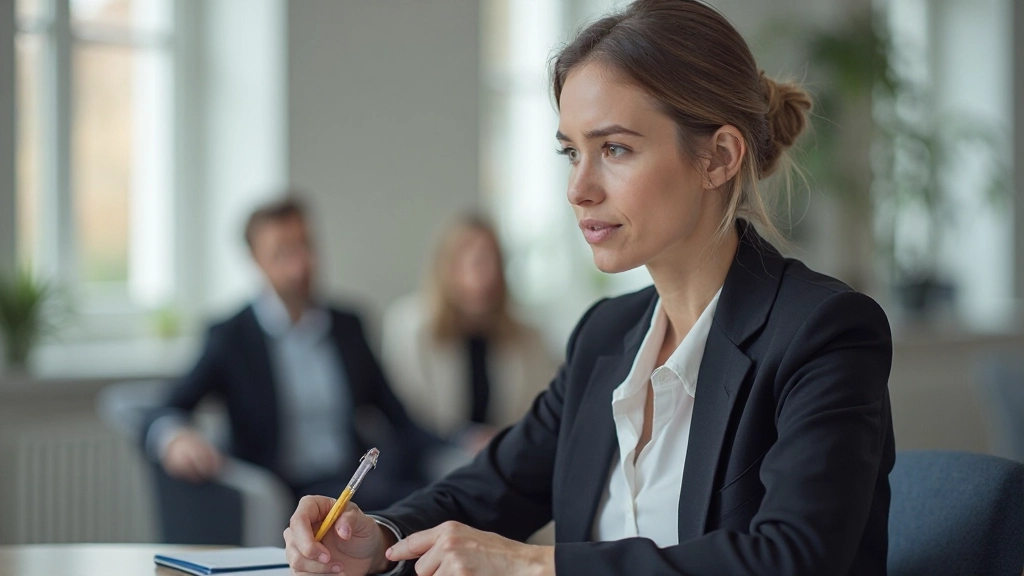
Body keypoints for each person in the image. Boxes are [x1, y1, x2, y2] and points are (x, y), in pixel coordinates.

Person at [284, 1, 895, 574]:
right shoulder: (606, 336)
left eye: (616, 149)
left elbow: (792, 557)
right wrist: (379, 536)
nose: (579, 189)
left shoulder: (824, 332)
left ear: (719, 158)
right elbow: (497, 486)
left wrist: (533, 564)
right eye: (571, 152)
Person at [142, 197, 433, 510]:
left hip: (353, 481)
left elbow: (396, 415)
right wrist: (175, 437)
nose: (300, 264)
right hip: (279, 491)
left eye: (305, 245)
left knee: (427, 506)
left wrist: (460, 442)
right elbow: (167, 407)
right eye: (282, 253)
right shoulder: (232, 337)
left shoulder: (348, 325)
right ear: (256, 260)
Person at [381, 216, 558, 450]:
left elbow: (541, 411)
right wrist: (466, 439)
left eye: (494, 261)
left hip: (508, 454)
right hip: (433, 457)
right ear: (446, 269)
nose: (488, 273)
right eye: (476, 262)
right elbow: (406, 417)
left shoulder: (528, 336)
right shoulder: (407, 326)